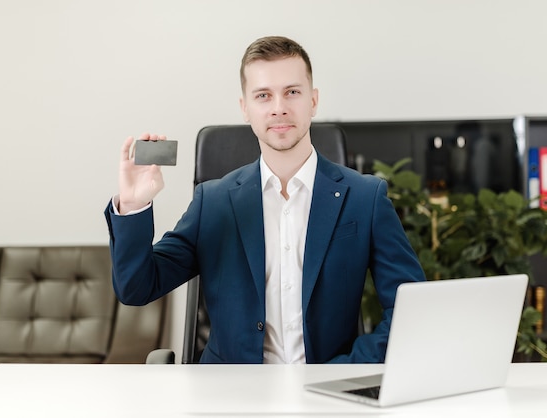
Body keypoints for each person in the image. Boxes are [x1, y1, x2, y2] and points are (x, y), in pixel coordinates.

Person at [104, 35, 425, 364]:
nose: (279, 107)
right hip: (231, 395)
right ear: (245, 108)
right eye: (263, 95)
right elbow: (136, 289)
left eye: (292, 92)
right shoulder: (213, 202)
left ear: (313, 101)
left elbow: (412, 310)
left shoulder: (364, 197)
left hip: (326, 395)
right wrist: (132, 206)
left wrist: (345, 372)